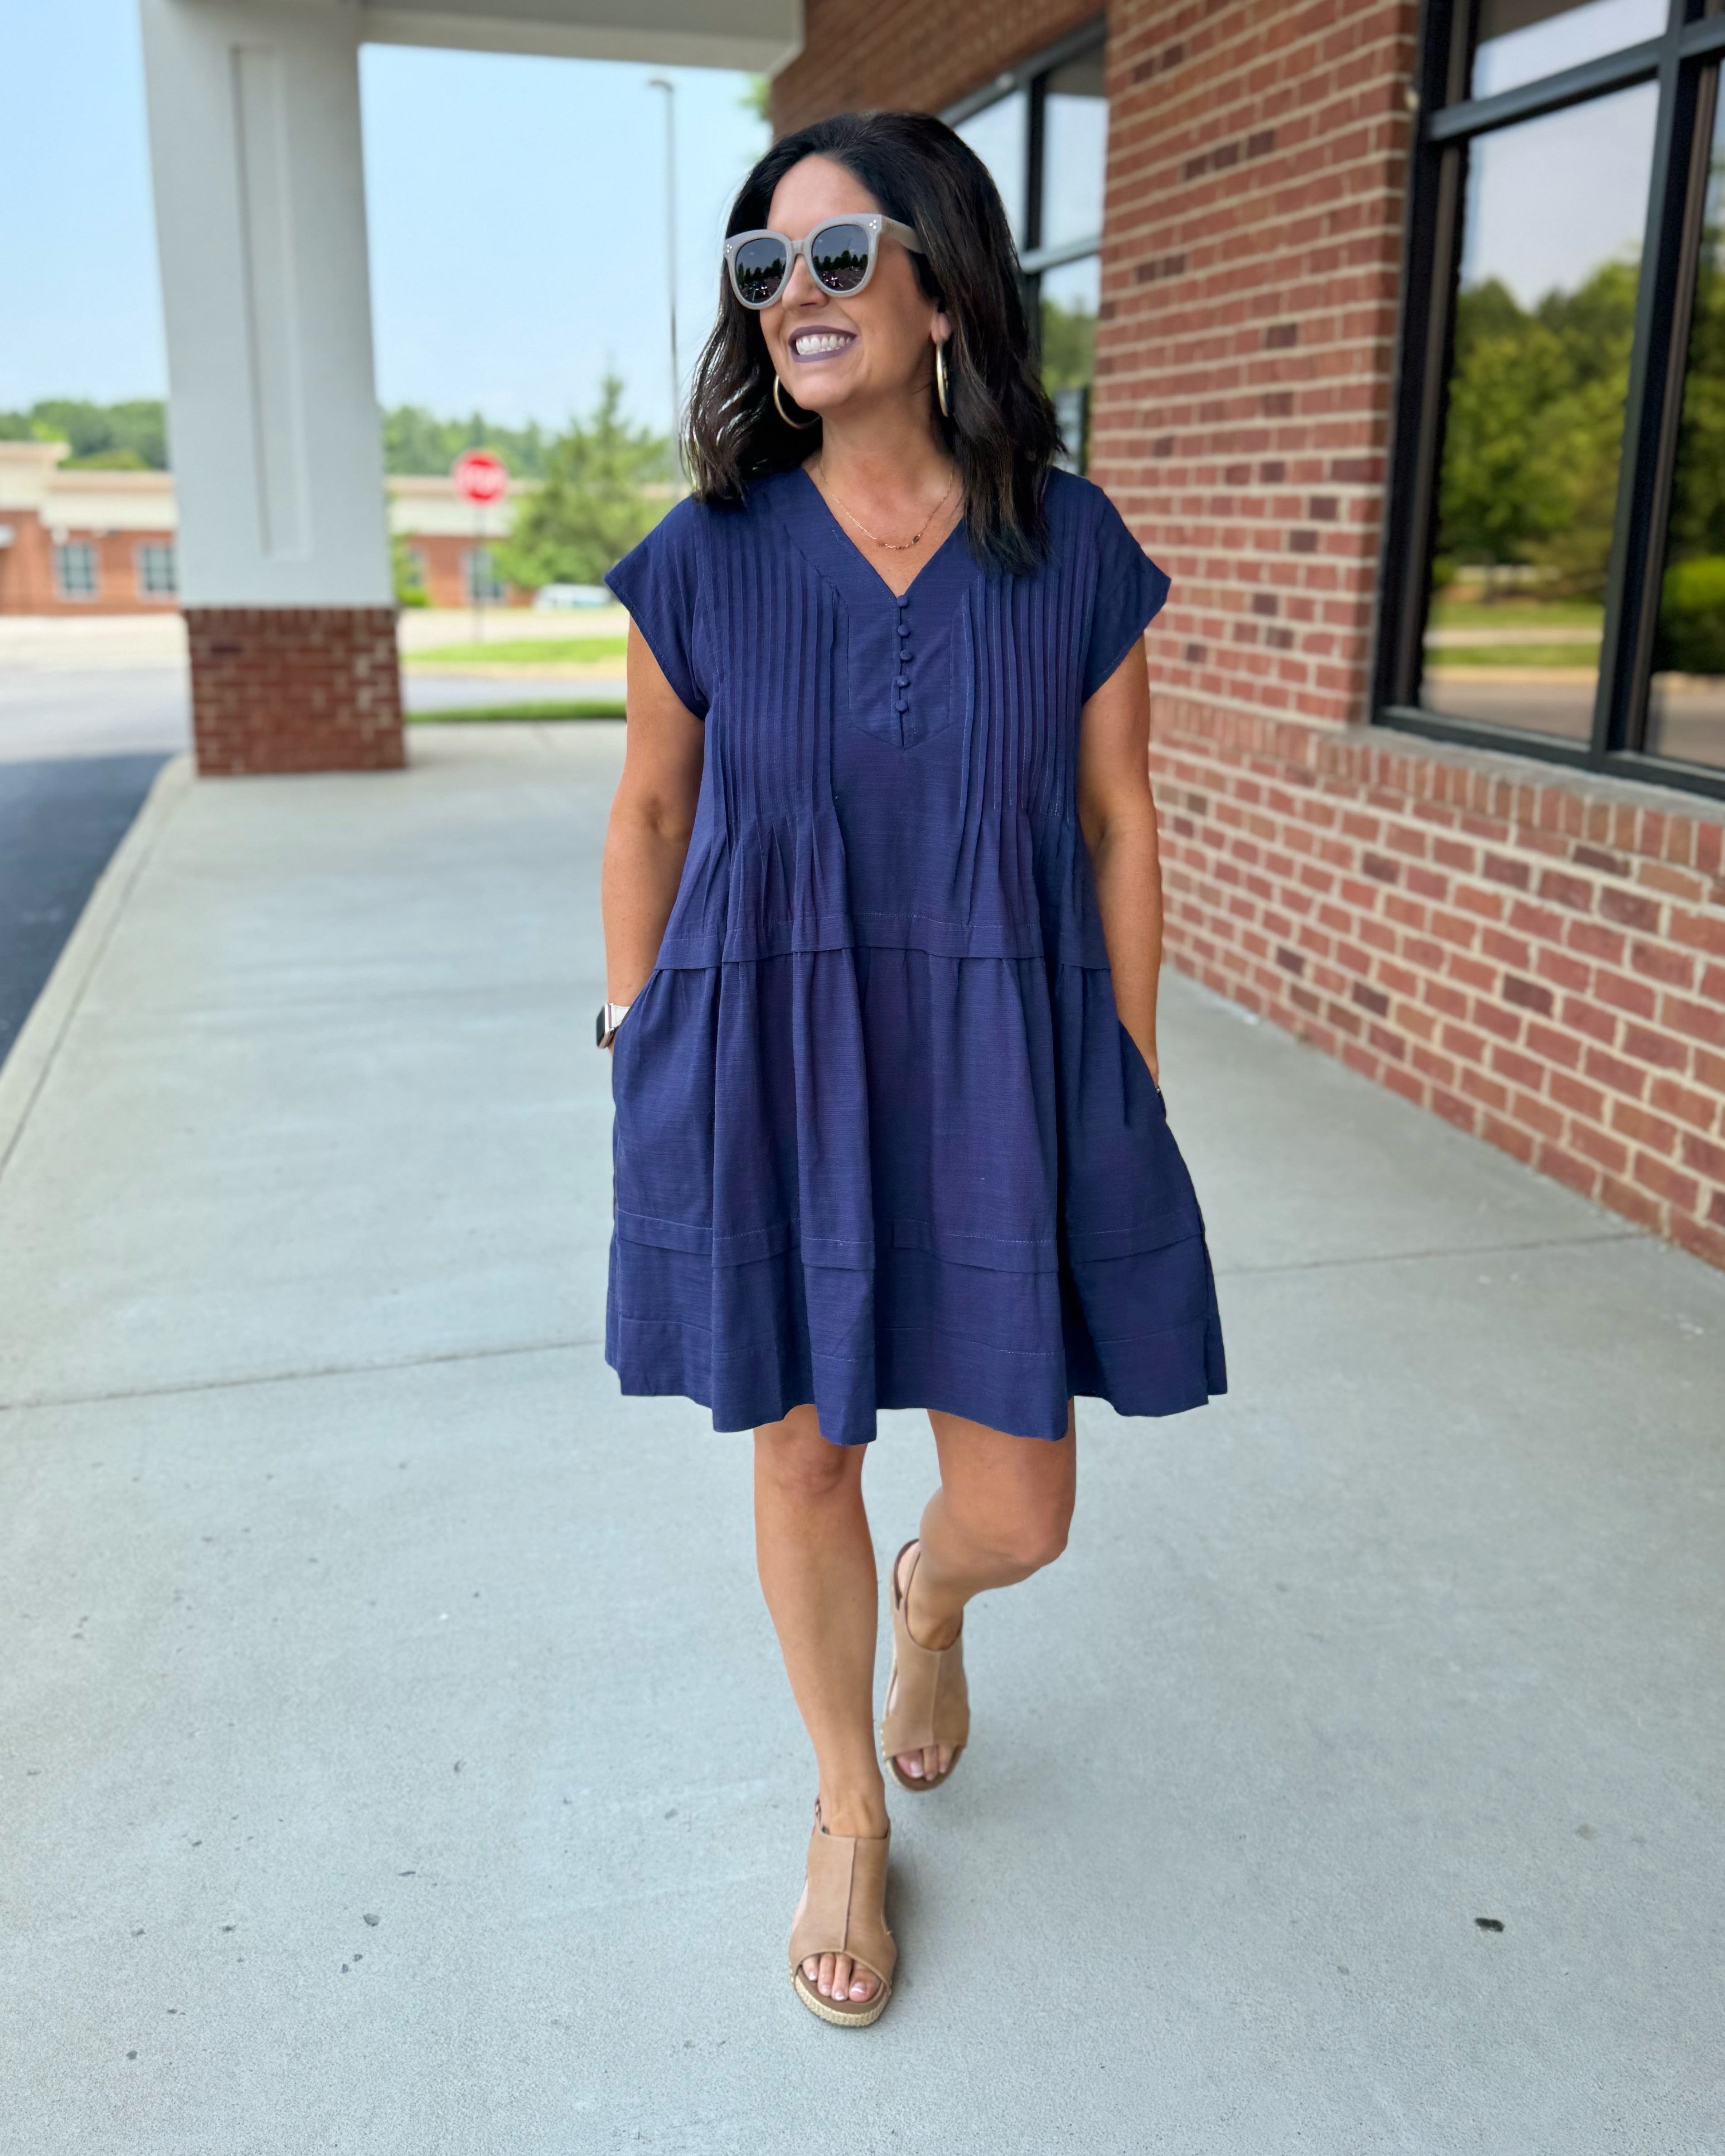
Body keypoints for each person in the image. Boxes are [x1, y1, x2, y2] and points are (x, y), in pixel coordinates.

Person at [598, 110, 1225, 2028]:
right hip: (772, 1054)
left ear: (942, 289)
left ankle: (930, 1604)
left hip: (1005, 1062)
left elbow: (1119, 820)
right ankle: (844, 1809)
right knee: (804, 1445)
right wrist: (636, 1029)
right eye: (761, 266)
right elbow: (649, 810)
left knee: (1022, 1506)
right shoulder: (705, 558)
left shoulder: (1070, 544)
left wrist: (1120, 1062)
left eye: (838, 254)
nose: (794, 292)